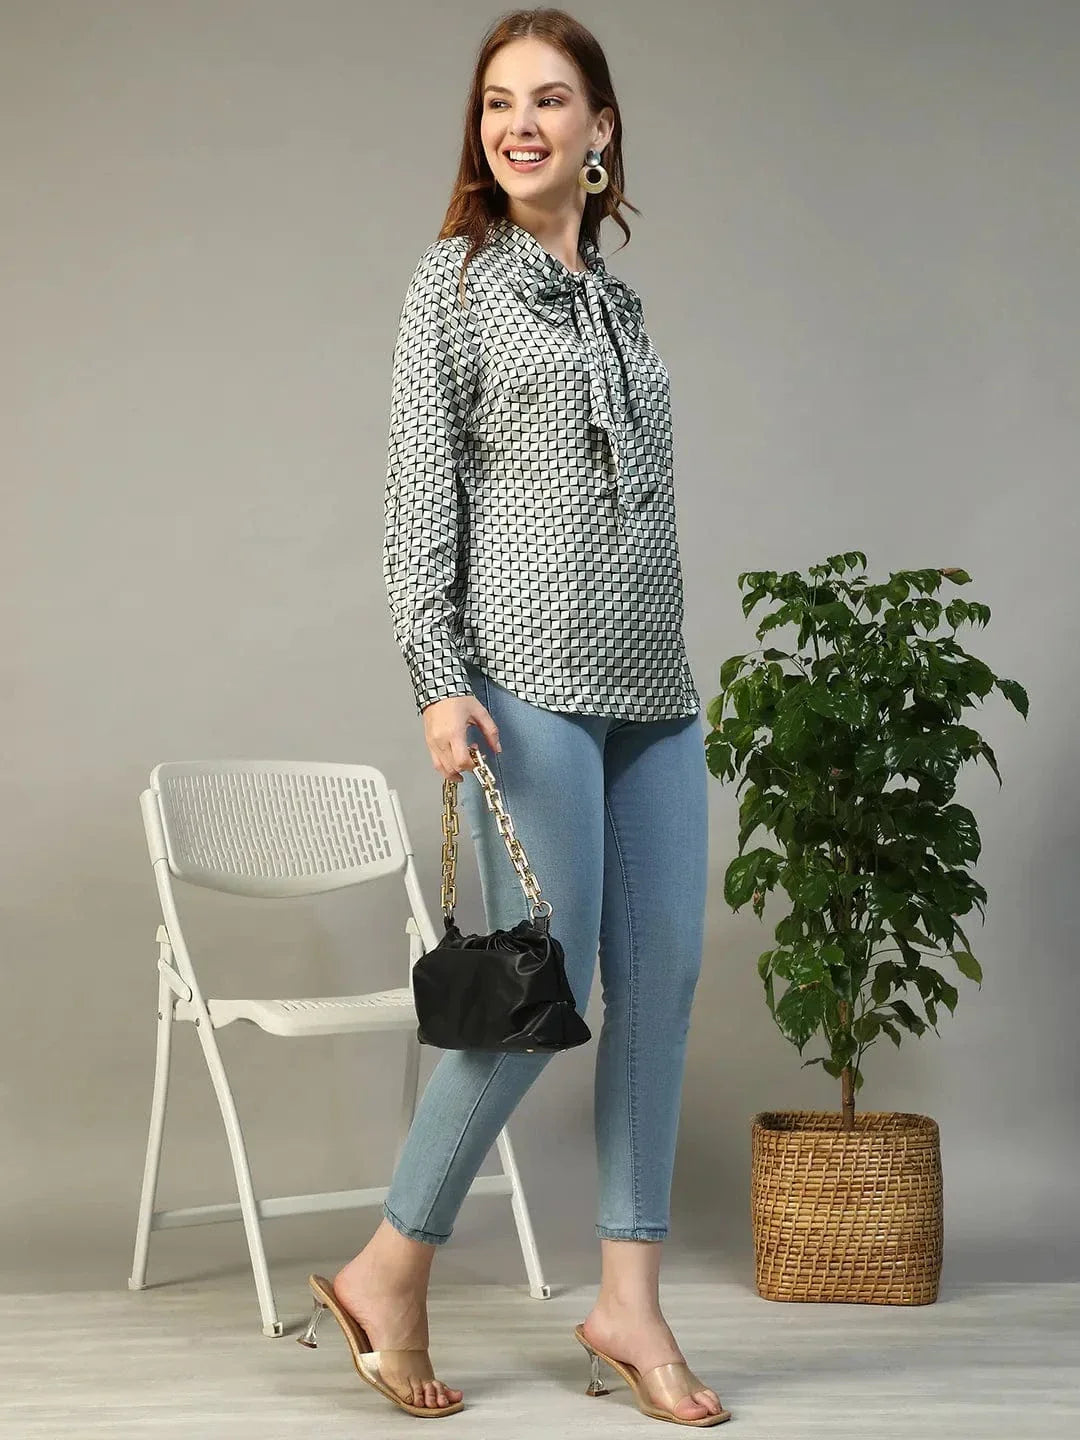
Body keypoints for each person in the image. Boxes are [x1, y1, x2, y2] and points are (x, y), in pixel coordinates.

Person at [306, 8, 728, 1426]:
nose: (521, 123)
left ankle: (629, 1308)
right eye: (499, 102)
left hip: (654, 685)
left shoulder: (621, 304)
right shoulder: (454, 283)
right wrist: (439, 680)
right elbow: (417, 496)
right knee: (535, 996)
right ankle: (388, 1269)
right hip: (525, 678)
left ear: (602, 129)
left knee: (661, 983)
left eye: (551, 99)